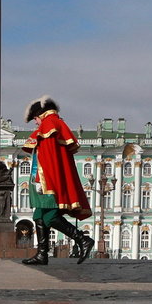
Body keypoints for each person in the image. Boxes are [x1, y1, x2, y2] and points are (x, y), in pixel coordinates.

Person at [20, 96, 94, 266]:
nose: (36, 123)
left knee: (51, 216)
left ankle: (83, 240)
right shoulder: (53, 124)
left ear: (41, 114)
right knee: (39, 216)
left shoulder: (49, 125)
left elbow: (47, 159)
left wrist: (40, 180)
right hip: (46, 180)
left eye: (35, 119)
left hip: (48, 182)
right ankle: (42, 254)